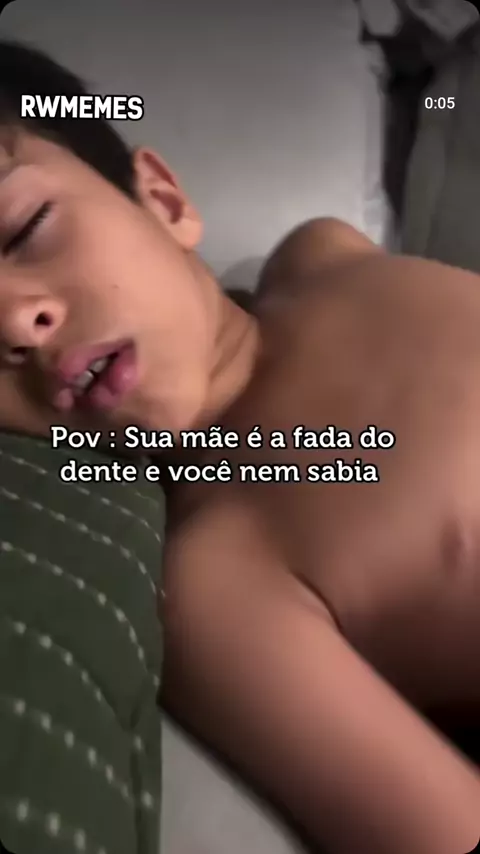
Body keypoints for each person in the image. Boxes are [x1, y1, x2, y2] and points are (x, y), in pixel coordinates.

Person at [0, 40, 479, 854]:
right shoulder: (219, 588)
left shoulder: (319, 254)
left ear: (163, 200)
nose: (15, 320)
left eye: (24, 228)